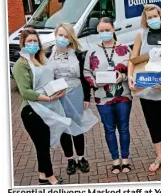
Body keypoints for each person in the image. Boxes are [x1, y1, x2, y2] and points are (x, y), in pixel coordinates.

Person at [12, 28, 71, 185]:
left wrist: (57, 88)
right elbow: (26, 92)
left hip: (47, 107)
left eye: (35, 41)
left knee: (43, 144)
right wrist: (49, 98)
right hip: (32, 110)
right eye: (29, 42)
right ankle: (51, 178)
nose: (33, 44)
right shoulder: (20, 65)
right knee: (42, 146)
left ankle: (42, 175)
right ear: (23, 44)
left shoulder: (41, 59)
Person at [127, 4, 161, 174]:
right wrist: (129, 75)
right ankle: (158, 156)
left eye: (155, 16)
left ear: (160, 16)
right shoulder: (141, 35)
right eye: (149, 17)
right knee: (152, 125)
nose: (153, 20)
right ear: (145, 19)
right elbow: (133, 58)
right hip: (146, 90)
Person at [83, 17, 132, 174]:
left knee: (123, 128)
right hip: (102, 97)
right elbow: (86, 72)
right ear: (98, 31)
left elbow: (133, 70)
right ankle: (115, 160)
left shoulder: (125, 48)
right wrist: (96, 83)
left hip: (123, 94)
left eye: (107, 30)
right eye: (101, 30)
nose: (104, 33)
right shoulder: (92, 50)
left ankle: (125, 159)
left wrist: (123, 77)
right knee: (109, 129)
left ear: (113, 30)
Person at [48, 23, 98, 175]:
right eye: (60, 35)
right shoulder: (48, 54)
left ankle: (81, 157)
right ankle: (70, 159)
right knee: (63, 126)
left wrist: (87, 97)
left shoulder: (77, 54)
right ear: (56, 35)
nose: (62, 38)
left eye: (66, 36)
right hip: (58, 94)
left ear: (71, 39)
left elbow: (84, 77)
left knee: (77, 125)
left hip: (75, 93)